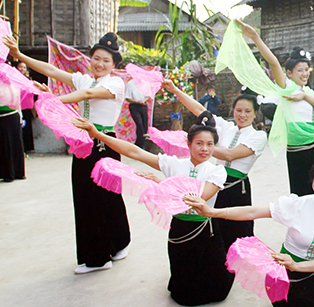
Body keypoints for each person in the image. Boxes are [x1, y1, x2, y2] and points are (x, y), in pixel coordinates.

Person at [3, 32, 130, 273]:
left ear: (114, 65)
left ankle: (101, 257)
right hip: (84, 143)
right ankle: (115, 244)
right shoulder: (85, 80)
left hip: (105, 143)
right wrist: (19, 55)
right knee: (86, 198)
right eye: (96, 58)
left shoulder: (115, 83)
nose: (100, 64)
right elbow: (51, 71)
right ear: (90, 59)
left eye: (106, 60)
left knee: (107, 197)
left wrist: (53, 100)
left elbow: (88, 95)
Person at [75, 112, 232, 306]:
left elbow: (199, 198)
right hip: (180, 227)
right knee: (182, 290)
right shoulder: (175, 164)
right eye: (199, 143)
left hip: (205, 230)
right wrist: (98, 135)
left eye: (210, 144)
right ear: (189, 143)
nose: (204, 149)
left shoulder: (217, 171)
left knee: (213, 286)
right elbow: (135, 152)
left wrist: (162, 182)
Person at [186, 142, 314, 307]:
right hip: (284, 275)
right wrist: (212, 212)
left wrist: (297, 265)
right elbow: (253, 212)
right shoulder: (297, 204)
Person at [163, 80, 267, 275]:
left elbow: (230, 155)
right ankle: (214, 266)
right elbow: (200, 110)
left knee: (236, 226)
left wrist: (201, 148)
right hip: (212, 183)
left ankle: (235, 267)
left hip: (236, 186)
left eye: (247, 111)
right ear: (233, 110)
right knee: (213, 226)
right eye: (238, 110)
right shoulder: (226, 127)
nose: (242, 115)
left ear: (255, 114)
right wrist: (175, 90)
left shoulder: (258, 136)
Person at [226, 20, 314, 197]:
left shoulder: (308, 91)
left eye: (307, 69)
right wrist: (255, 37)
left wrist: (305, 96)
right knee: (299, 194)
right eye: (300, 70)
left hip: (313, 147)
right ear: (289, 73)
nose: (305, 74)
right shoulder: (287, 86)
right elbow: (273, 62)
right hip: (296, 151)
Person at [0, 61, 25, 182]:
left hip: (12, 115)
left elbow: (17, 101)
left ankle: (17, 172)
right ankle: (6, 173)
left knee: (14, 145)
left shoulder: (13, 83)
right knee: (3, 146)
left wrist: (20, 116)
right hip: (2, 116)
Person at [16, 61, 35, 153]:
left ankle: (27, 148)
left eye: (24, 67)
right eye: (20, 67)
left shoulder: (29, 80)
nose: (22, 69)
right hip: (16, 105)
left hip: (26, 107)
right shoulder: (13, 78)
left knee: (27, 128)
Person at [125, 79, 149, 149]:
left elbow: (147, 96)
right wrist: (137, 101)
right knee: (139, 124)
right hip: (134, 106)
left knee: (145, 125)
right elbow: (128, 98)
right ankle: (140, 145)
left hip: (143, 105)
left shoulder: (145, 83)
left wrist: (143, 100)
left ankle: (140, 143)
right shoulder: (130, 84)